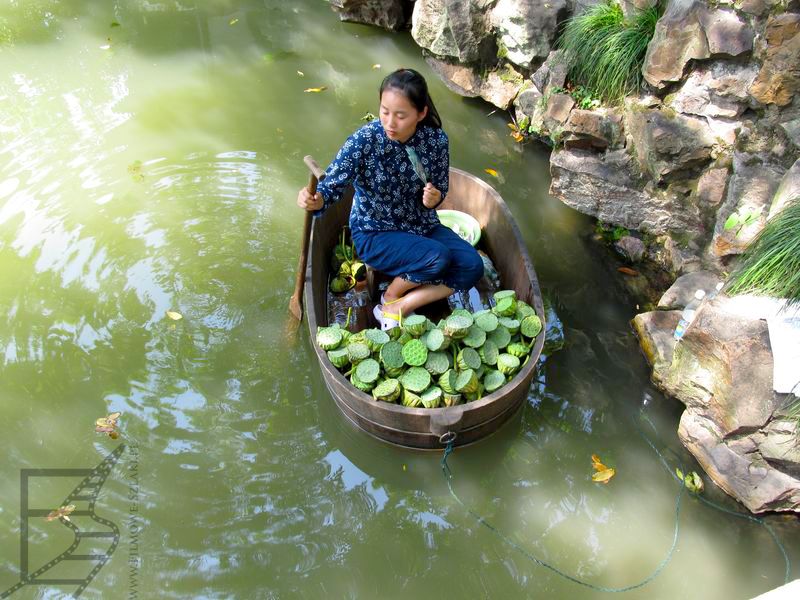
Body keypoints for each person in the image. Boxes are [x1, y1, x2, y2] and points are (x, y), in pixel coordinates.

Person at [297, 68, 483, 330]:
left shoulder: (436, 141)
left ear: (421, 113)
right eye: (384, 111)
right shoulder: (364, 141)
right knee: (437, 257)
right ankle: (392, 294)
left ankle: (398, 305)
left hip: (421, 225)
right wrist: (315, 200)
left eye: (400, 115)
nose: (389, 123)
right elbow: (330, 188)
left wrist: (434, 199)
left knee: (472, 266)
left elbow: (439, 189)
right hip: (375, 232)